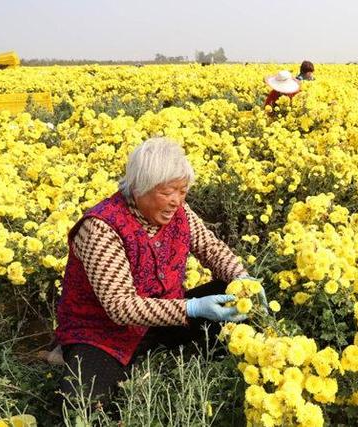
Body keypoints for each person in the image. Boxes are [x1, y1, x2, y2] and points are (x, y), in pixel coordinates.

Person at [54, 137, 263, 410]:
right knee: (81, 404)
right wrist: (192, 307)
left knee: (234, 297)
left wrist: (242, 279)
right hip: (104, 332)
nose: (176, 200)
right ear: (140, 188)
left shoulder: (181, 213)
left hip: (162, 319)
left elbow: (212, 249)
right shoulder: (101, 228)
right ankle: (67, 351)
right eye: (167, 192)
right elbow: (121, 307)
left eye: (183, 191)